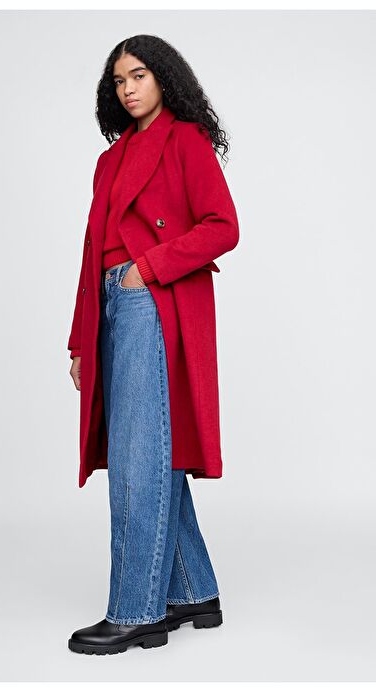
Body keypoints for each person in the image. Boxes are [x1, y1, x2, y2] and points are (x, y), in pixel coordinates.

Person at [67, 34, 239, 655]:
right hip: (111, 303)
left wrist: (150, 267)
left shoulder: (185, 140)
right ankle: (194, 591)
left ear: (163, 77)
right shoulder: (110, 160)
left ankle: (137, 610)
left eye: (139, 74)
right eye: (119, 80)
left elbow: (224, 227)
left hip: (150, 301)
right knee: (148, 453)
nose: (129, 88)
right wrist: (80, 339)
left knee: (137, 458)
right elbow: (92, 254)